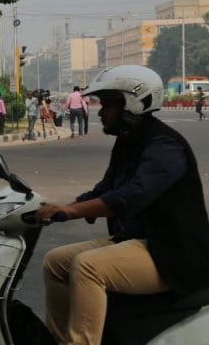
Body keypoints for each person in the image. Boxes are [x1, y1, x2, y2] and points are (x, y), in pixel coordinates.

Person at [37, 65, 209, 345]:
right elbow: (106, 188)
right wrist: (62, 208)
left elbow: (129, 196)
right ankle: (57, 339)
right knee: (56, 262)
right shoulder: (129, 141)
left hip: (171, 253)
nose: (102, 112)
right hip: (137, 240)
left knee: (88, 267)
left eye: (108, 105)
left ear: (133, 103)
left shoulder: (165, 146)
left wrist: (73, 211)